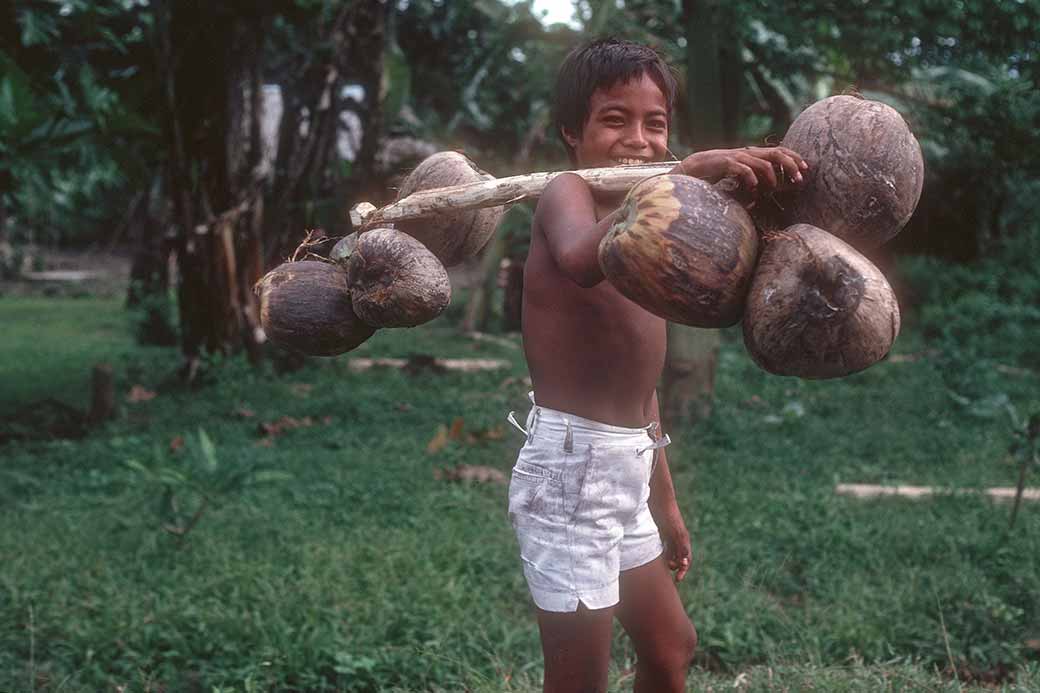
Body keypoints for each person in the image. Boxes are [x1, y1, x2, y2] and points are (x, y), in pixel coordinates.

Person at [506, 38, 807, 693]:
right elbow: (588, 259)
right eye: (615, 120)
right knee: (578, 677)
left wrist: (663, 500)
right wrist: (686, 173)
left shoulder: (662, 232)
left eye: (655, 123)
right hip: (570, 478)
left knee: (671, 648)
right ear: (571, 131)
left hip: (626, 473)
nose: (638, 139)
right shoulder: (567, 194)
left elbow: (643, 393)